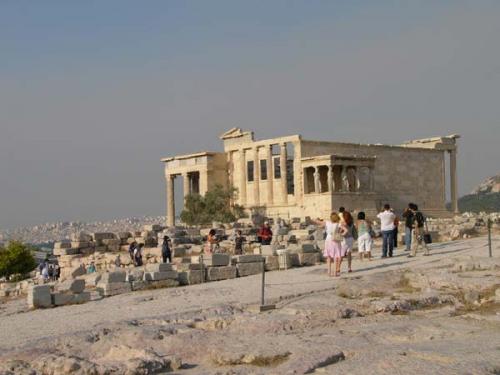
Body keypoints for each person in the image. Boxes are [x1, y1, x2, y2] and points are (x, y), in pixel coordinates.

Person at [315, 212, 347, 277]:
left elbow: (318, 223)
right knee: (336, 257)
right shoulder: (338, 224)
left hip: (328, 240)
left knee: (328, 257)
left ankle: (329, 272)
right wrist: (341, 235)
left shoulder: (327, 223)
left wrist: (315, 220)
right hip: (335, 240)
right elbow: (346, 230)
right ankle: (335, 272)